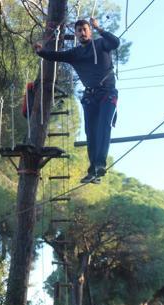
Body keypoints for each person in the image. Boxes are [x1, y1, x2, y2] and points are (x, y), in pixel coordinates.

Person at [34, 18, 120, 184]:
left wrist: (99, 28)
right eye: (79, 30)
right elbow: (55, 56)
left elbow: (115, 42)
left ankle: (100, 165)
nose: (82, 32)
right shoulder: (75, 54)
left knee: (103, 126)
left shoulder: (102, 44)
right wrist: (41, 51)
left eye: (85, 29)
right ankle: (93, 169)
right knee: (91, 133)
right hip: (90, 97)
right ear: (76, 34)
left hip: (107, 93)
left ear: (90, 31)